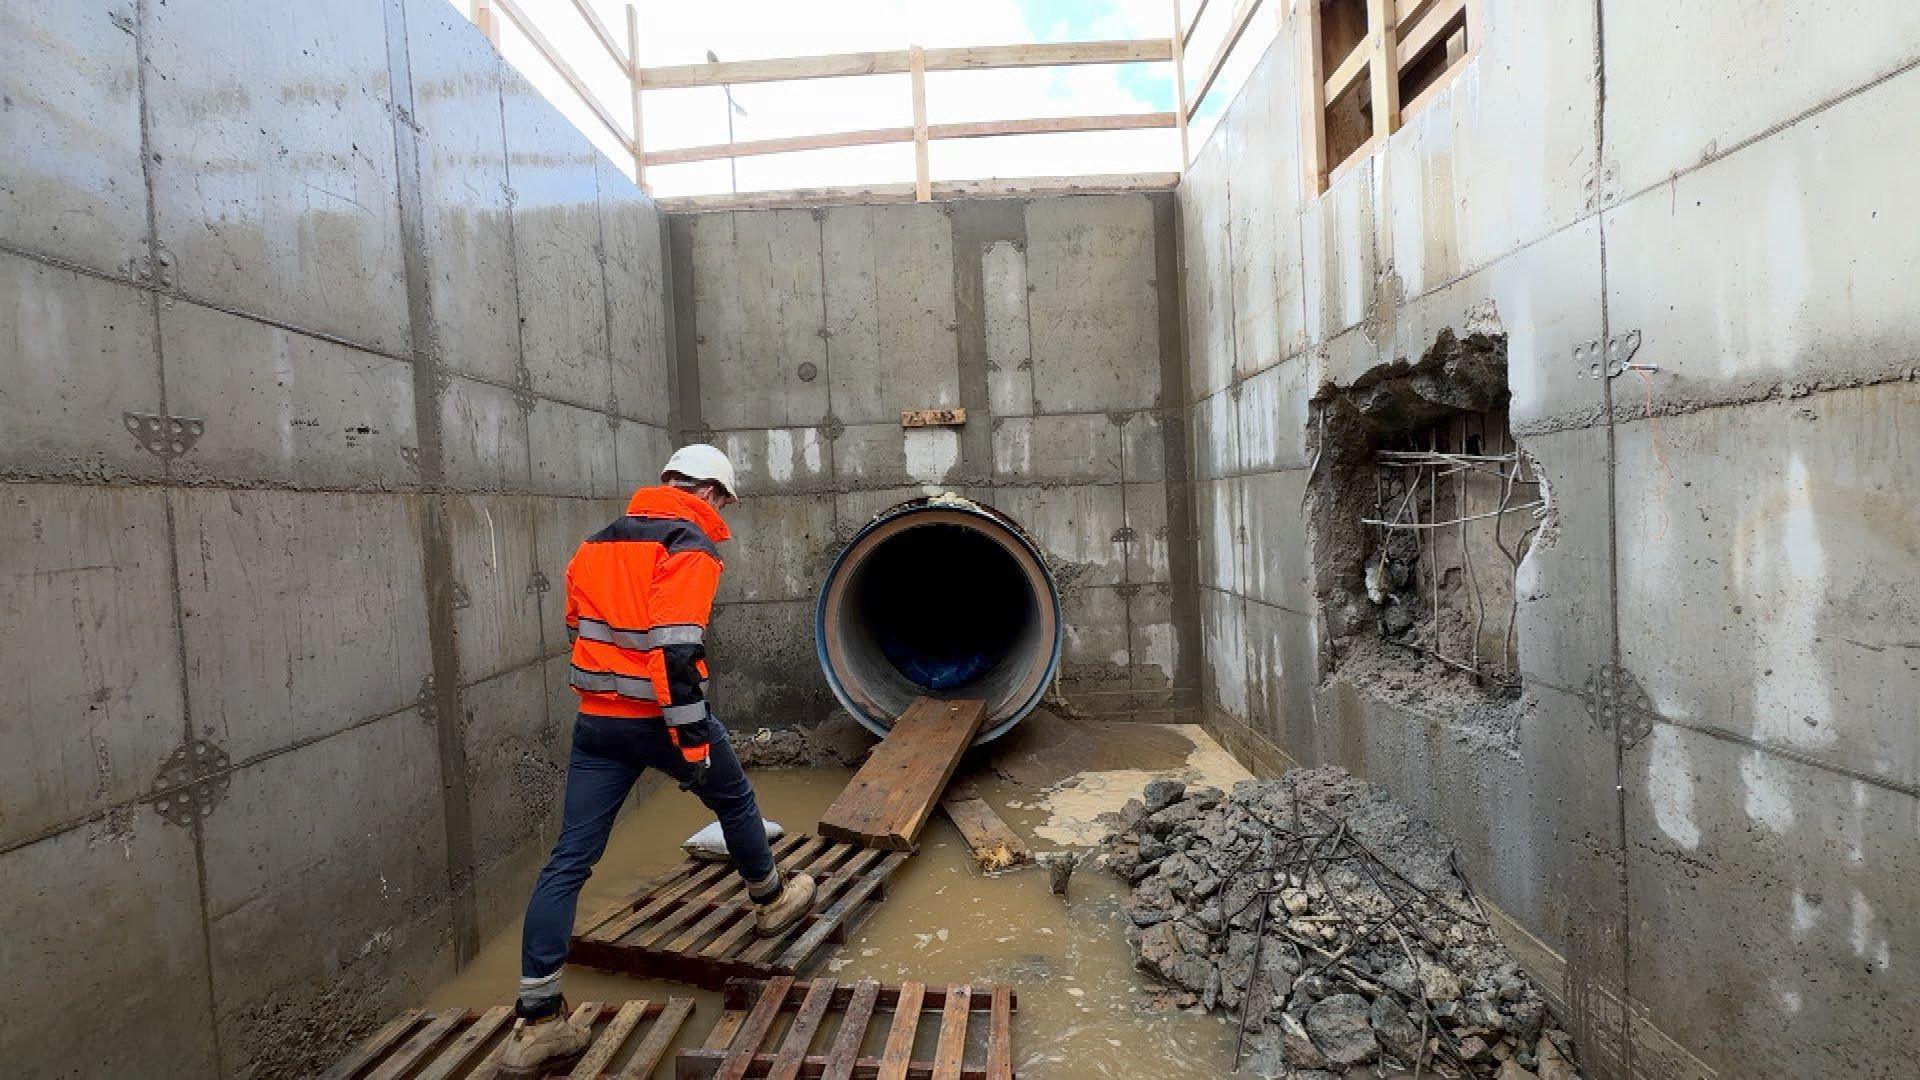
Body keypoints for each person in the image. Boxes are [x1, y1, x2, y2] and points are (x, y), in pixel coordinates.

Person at [498, 444, 815, 1075]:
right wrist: (692, 746)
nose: (720, 512)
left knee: (570, 859)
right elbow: (674, 652)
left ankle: (535, 1024)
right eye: (722, 501)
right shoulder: (688, 545)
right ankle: (771, 902)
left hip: (598, 725)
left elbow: (576, 627)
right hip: (662, 722)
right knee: (733, 797)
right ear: (708, 494)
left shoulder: (595, 545)